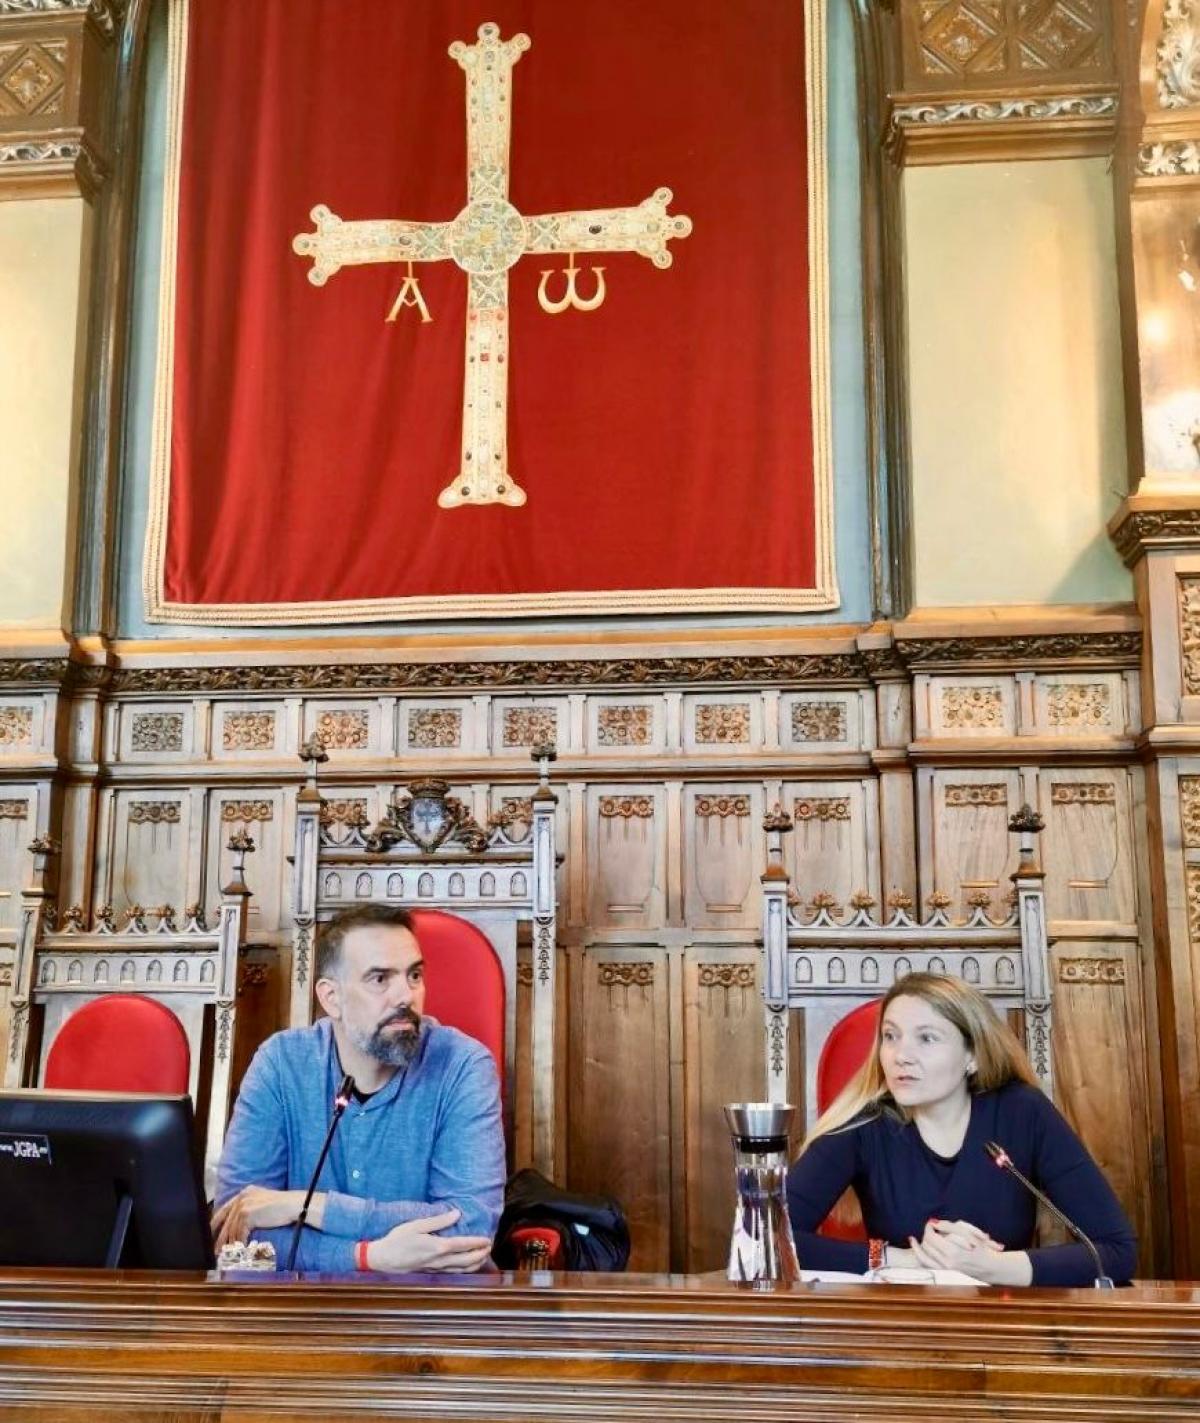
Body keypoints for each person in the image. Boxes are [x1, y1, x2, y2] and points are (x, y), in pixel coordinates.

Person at [786, 972, 1137, 1286]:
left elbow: (1117, 1251)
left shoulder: (1022, 1112)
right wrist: (905, 1259)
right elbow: (770, 1242)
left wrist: (993, 1267)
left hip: (1003, 1320)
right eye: (890, 1036)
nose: (900, 1055)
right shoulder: (865, 1123)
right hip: (900, 1320)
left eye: (927, 1038)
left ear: (973, 1056)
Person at [213, 903, 505, 1272]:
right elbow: (234, 1235)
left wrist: (304, 1206)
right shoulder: (280, 1064)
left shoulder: (463, 1066)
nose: (406, 996)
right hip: (300, 1304)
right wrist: (367, 1257)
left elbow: (469, 1228)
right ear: (331, 998)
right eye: (380, 979)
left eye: (414, 975)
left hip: (434, 1303)